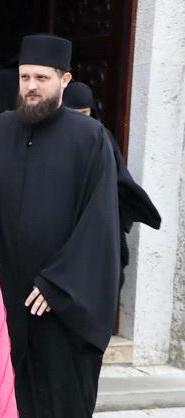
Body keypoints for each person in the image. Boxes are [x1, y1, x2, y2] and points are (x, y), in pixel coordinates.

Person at [0, 34, 121, 418]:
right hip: (10, 302)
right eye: (25, 77)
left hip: (63, 308)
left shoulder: (90, 138)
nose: (31, 86)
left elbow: (100, 223)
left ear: (65, 80)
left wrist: (58, 284)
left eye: (42, 78)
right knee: (13, 411)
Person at [63, 82, 161, 285]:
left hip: (98, 217)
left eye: (85, 113)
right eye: (74, 114)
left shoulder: (101, 137)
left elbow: (118, 179)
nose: (81, 120)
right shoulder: (54, 139)